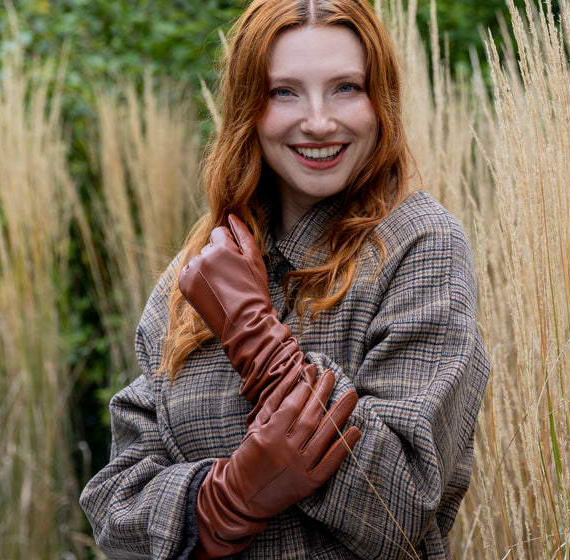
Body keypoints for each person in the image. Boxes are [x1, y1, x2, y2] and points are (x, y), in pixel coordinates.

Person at [78, 0, 490, 558]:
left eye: (346, 87)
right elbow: (113, 506)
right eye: (285, 91)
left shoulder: (418, 245)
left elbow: (401, 507)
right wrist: (223, 500)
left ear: (380, 100)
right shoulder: (194, 273)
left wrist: (258, 343)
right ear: (250, 107)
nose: (319, 121)